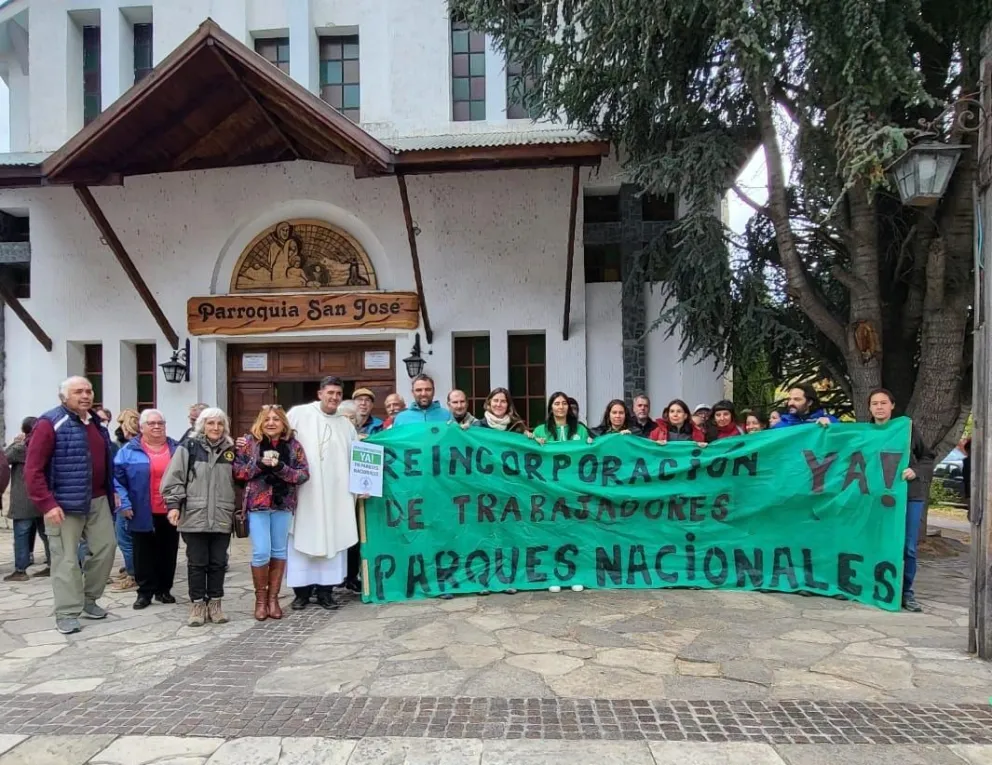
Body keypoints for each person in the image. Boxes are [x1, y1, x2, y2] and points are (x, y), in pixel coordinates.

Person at [24, 376, 117, 635]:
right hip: (63, 504)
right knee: (65, 559)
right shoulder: (49, 423)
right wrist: (47, 504)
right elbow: (32, 470)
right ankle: (66, 612)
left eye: (88, 390)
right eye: (78, 391)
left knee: (106, 548)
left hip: (98, 499)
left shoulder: (96, 423)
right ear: (64, 397)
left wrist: (112, 491)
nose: (85, 395)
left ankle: (89, 598)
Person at [284, 376, 360, 611]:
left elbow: (358, 459)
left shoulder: (346, 425)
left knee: (333, 540)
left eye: (338, 394)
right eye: (330, 393)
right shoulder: (299, 414)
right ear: (320, 394)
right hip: (305, 493)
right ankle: (301, 594)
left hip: (336, 495)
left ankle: (326, 592)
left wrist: (363, 486)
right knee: (302, 539)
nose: (334, 397)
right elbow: (277, 438)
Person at [160, 408, 237, 627]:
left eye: (220, 424)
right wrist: (173, 506)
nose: (215, 428)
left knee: (218, 563)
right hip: (194, 514)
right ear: (202, 425)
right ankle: (197, 605)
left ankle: (215, 603)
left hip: (222, 514)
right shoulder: (189, 447)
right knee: (197, 563)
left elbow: (240, 480)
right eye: (211, 423)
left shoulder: (232, 450)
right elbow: (173, 479)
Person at [234, 405, 310, 621]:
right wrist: (259, 464)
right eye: (267, 419)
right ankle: (260, 601)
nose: (271, 423)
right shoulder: (250, 443)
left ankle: (273, 599)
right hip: (258, 504)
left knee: (279, 550)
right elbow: (238, 471)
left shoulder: (293, 445)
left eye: (276, 419)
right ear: (260, 422)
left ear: (283, 423)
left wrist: (280, 468)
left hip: (282, 503)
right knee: (261, 551)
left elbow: (303, 475)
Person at [868, 389, 934, 613]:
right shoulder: (864, 433)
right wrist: (825, 425)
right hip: (876, 498)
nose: (879, 407)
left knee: (908, 547)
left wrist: (916, 471)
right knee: (876, 542)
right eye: (874, 403)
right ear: (869, 408)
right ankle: (876, 586)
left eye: (883, 403)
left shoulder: (906, 429)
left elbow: (927, 457)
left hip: (909, 496)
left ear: (892, 405)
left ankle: (906, 592)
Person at [114, 409, 179, 610]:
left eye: (160, 423)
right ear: (142, 427)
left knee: (168, 552)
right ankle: (144, 592)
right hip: (140, 509)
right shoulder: (128, 451)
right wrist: (124, 504)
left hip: (170, 510)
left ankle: (164, 590)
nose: (157, 426)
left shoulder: (177, 449)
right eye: (151, 423)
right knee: (143, 553)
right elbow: (117, 480)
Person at [5, 418, 41, 581]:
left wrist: (15, 442)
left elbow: (4, 459)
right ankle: (51, 564)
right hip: (41, 496)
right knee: (46, 534)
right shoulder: (43, 445)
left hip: (23, 498)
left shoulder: (21, 448)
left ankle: (21, 569)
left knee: (21, 534)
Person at [110, 408, 140, 591]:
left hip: (126, 498)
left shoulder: (126, 448)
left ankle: (133, 574)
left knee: (125, 539)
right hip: (135, 497)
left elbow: (119, 478)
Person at [773, 385, 837, 428]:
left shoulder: (827, 421)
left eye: (797, 399)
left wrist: (831, 427)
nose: (790, 403)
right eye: (789, 399)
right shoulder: (781, 426)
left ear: (809, 402)